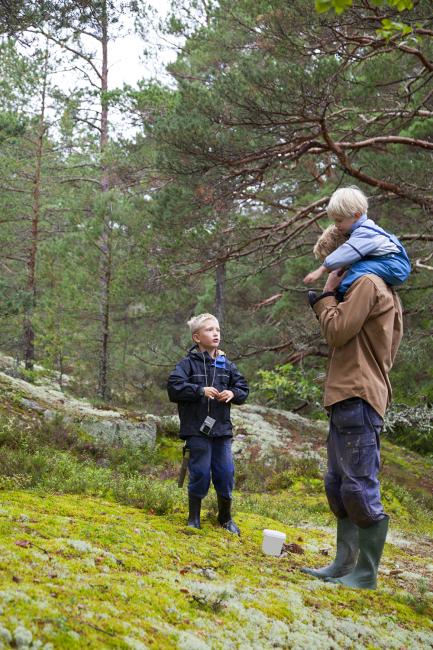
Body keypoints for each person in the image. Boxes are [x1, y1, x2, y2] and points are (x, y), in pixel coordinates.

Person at [301, 264, 403, 589]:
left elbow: (336, 331)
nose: (331, 269)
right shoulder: (372, 285)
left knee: (358, 487)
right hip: (348, 394)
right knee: (338, 485)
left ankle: (365, 573)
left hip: (359, 394)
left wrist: (328, 294)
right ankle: (343, 564)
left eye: (334, 263)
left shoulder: (369, 284)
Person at [167, 313, 249, 534]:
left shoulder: (227, 365)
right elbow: (173, 388)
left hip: (222, 431)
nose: (215, 333)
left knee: (225, 473)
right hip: (196, 430)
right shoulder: (186, 365)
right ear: (196, 337)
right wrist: (199, 390)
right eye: (210, 330)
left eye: (218, 330)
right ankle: (194, 517)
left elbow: (244, 389)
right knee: (200, 473)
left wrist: (232, 392)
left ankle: (225, 518)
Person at [303, 186, 411, 298]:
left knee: (356, 269)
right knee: (357, 266)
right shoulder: (365, 228)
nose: (336, 225)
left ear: (357, 215)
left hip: (394, 265)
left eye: (339, 220)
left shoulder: (364, 232)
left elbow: (347, 251)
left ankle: (340, 294)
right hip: (392, 263)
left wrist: (322, 269)